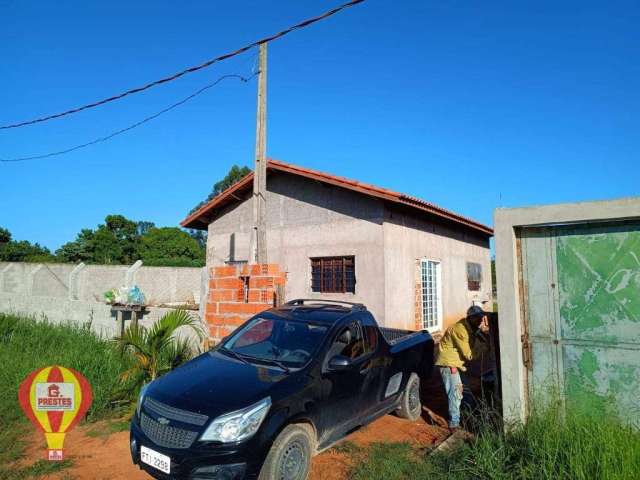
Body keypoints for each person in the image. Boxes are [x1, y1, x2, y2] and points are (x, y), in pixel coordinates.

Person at [435, 305, 490, 430]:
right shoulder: (460, 330)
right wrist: (485, 346)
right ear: (470, 318)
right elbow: (469, 355)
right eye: (477, 318)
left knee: (465, 391)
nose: (480, 320)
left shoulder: (470, 327)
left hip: (457, 364)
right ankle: (454, 423)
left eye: (481, 318)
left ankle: (468, 414)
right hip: (449, 364)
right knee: (455, 393)